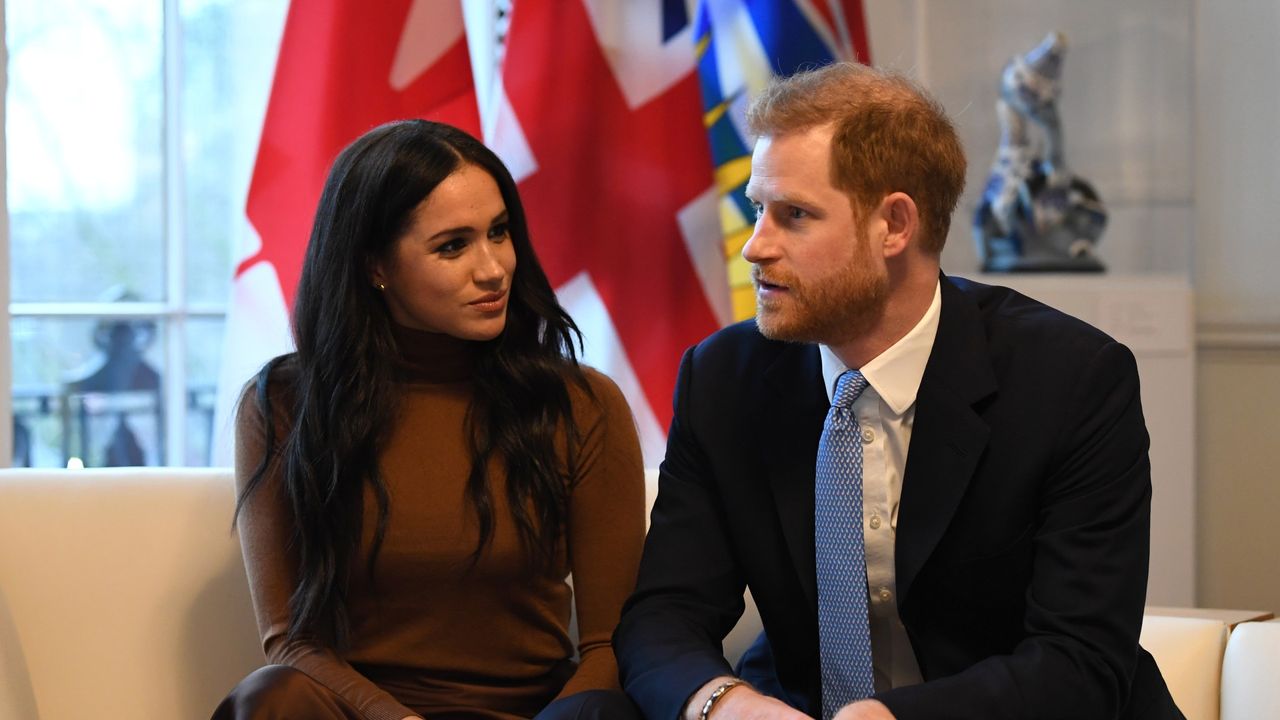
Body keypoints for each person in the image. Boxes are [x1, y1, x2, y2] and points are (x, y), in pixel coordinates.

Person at [613, 63, 1182, 720]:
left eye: (794, 215)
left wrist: (890, 719)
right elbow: (664, 617)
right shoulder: (724, 379)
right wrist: (728, 705)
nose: (755, 247)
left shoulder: (1072, 380)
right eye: (756, 210)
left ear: (895, 225)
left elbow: (1079, 661)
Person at [213, 120, 645, 720]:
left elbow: (609, 643)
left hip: (540, 714)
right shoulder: (284, 402)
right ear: (374, 266)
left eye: (499, 232)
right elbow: (291, 640)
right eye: (453, 246)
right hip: (364, 713)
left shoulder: (581, 403)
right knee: (271, 697)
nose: (493, 269)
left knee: (604, 713)